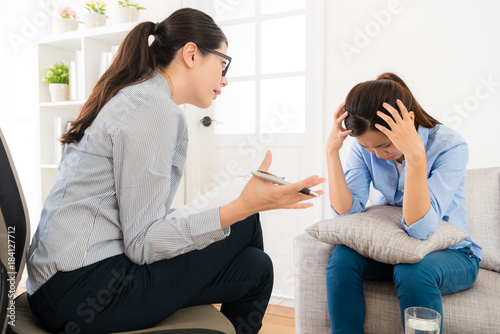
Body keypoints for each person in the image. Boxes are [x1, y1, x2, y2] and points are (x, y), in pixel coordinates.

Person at [26, 8, 324, 334]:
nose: (225, 79)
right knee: (246, 221)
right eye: (222, 64)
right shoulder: (154, 108)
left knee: (256, 269)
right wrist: (243, 206)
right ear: (192, 54)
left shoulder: (138, 96)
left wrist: (224, 211)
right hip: (80, 291)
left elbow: (138, 223)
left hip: (63, 285)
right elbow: (142, 244)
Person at [325, 72, 482, 333]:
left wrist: (415, 154)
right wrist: (331, 153)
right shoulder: (366, 146)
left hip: (455, 254)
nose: (378, 155)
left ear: (408, 121)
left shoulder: (450, 146)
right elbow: (347, 214)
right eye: (369, 148)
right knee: (342, 258)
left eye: (385, 145)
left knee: (413, 272)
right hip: (395, 250)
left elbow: (420, 229)